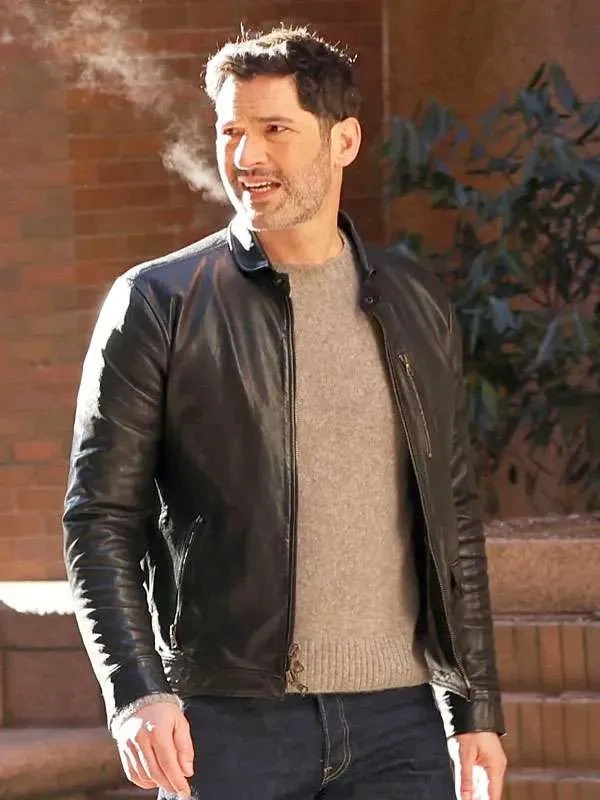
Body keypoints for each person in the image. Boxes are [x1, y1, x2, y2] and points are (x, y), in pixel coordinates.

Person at [63, 25, 507, 800]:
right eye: (231, 131)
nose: (246, 156)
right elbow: (99, 518)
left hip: (399, 724)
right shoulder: (159, 303)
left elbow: (453, 516)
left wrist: (475, 710)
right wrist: (135, 689)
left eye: (275, 129)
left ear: (344, 141)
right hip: (227, 723)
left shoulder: (415, 301)